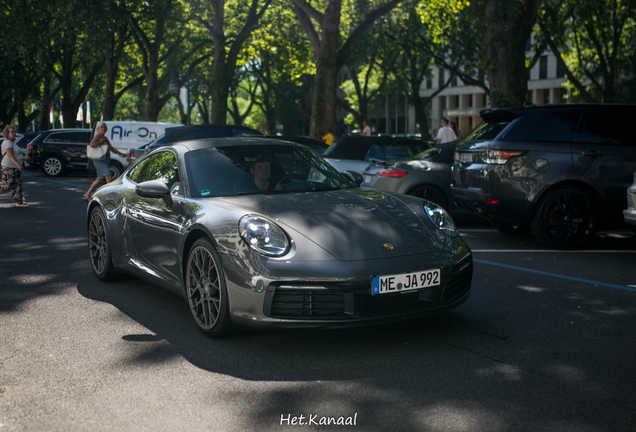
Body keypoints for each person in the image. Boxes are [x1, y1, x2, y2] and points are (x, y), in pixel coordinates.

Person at [83, 122, 124, 200]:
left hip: (105, 159)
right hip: (99, 160)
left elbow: (111, 148)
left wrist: (122, 154)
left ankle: (87, 194)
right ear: (98, 129)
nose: (103, 128)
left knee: (100, 180)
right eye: (101, 127)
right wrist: (101, 141)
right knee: (109, 179)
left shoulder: (105, 138)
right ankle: (108, 196)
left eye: (104, 127)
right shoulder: (98, 136)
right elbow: (92, 144)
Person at [1, 125, 27, 206]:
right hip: (9, 167)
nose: (14, 133)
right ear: (6, 133)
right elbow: (10, 155)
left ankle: (19, 200)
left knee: (17, 184)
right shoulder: (7, 143)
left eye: (14, 131)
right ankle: (19, 200)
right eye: (11, 132)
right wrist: (18, 164)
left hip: (14, 167)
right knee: (7, 185)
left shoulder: (11, 142)